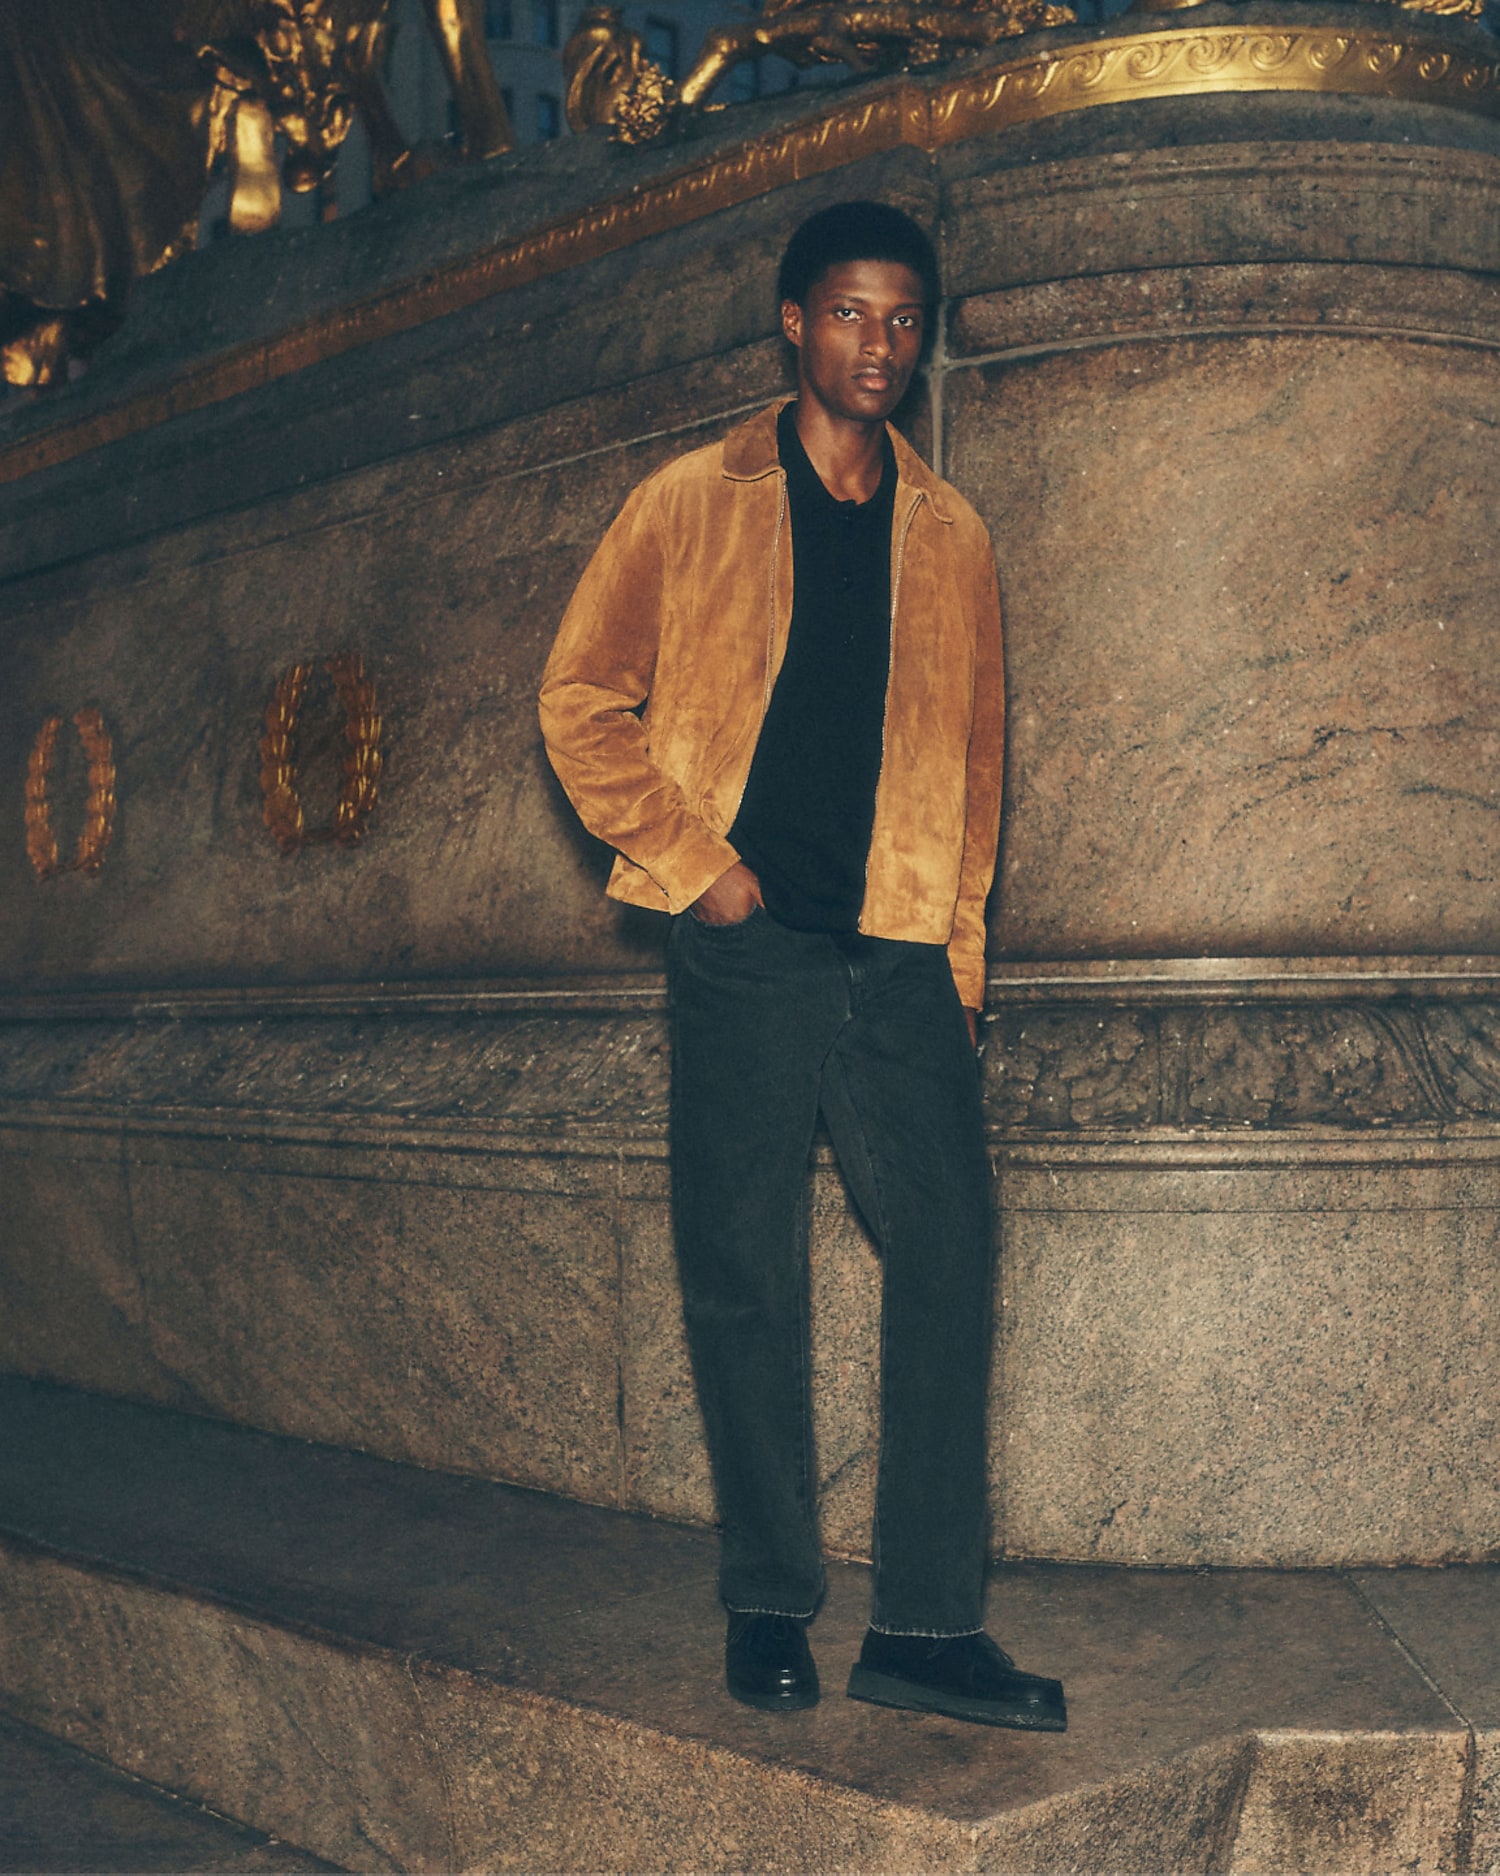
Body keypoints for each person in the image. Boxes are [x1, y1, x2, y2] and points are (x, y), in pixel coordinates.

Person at [539, 200, 1066, 1732]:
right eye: (846, 314)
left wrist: (959, 966)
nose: (876, 347)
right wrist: (700, 872)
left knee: (954, 1255)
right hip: (751, 951)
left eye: (902, 321)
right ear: (789, 320)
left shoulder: (953, 534)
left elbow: (977, 774)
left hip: (901, 955)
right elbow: (581, 700)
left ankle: (923, 1626)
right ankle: (769, 1604)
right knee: (746, 1274)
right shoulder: (690, 502)